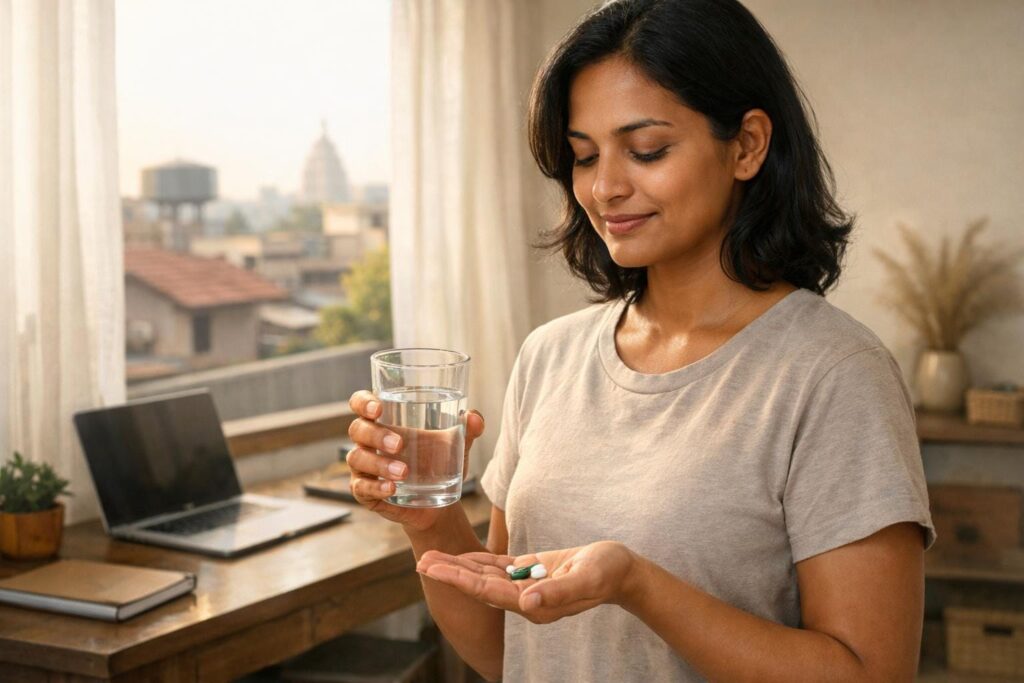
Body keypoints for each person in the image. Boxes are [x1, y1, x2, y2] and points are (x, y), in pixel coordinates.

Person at [346, 0, 935, 680]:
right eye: (583, 156)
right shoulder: (549, 356)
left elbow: (871, 673)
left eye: (647, 150)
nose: (605, 188)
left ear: (746, 145)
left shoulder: (834, 373)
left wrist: (637, 584)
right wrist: (428, 519)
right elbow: (510, 650)